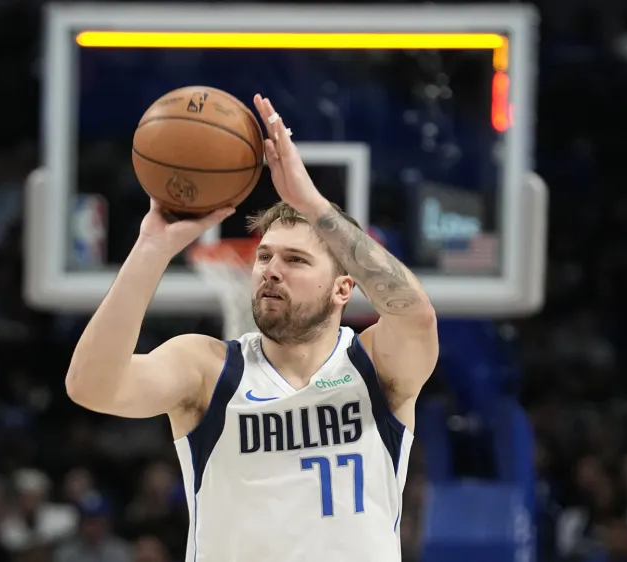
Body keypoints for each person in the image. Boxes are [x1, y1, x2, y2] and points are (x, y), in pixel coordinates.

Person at [65, 94, 439, 561]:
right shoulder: (208, 368)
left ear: (344, 288)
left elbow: (415, 314)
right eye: (264, 257)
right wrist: (151, 247)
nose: (270, 270)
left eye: (296, 259)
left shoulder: (375, 368)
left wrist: (310, 203)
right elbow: (90, 387)